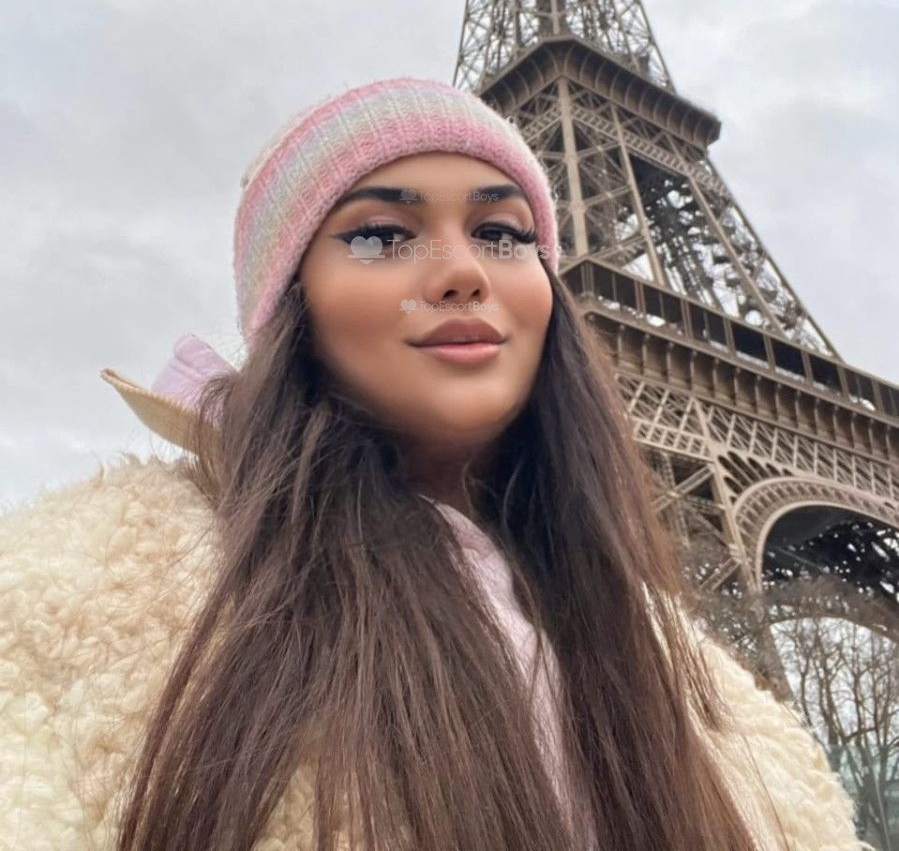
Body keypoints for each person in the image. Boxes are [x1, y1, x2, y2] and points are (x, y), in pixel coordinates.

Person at [0, 77, 868, 851]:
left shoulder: (701, 691)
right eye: (381, 235)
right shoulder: (66, 606)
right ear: (290, 304)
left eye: (501, 232)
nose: (460, 272)